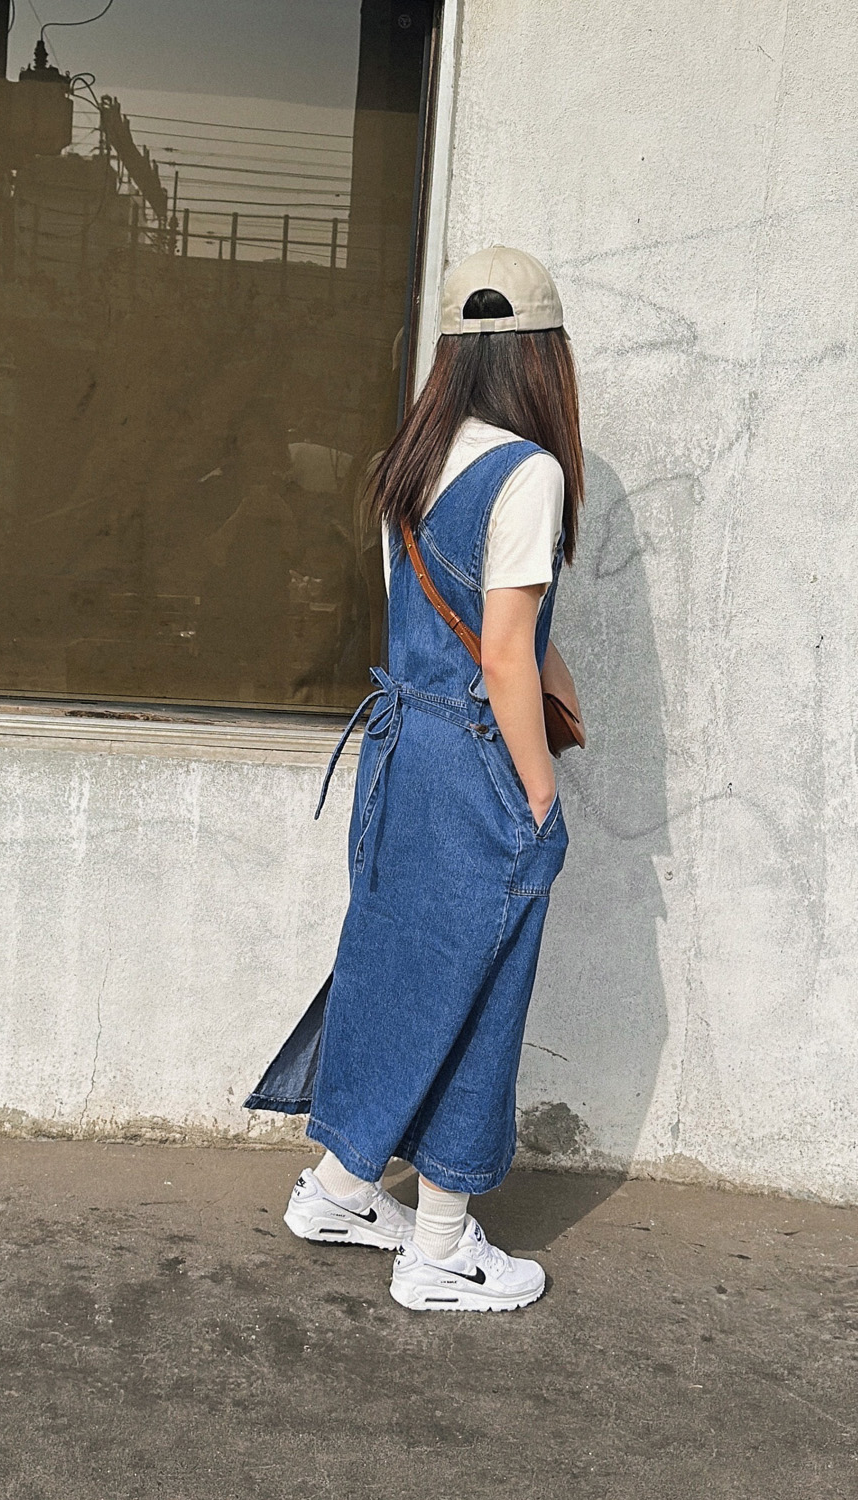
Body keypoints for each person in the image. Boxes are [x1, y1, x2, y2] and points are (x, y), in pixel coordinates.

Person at [245, 247, 584, 1312]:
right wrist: (539, 793)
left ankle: (340, 1188)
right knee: (481, 987)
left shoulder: (412, 456)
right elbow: (504, 653)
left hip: (399, 750)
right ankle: (439, 1248)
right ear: (542, 356)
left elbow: (457, 617)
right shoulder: (529, 472)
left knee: (393, 964)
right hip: (474, 760)